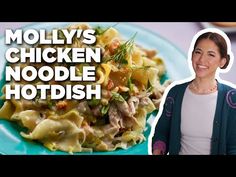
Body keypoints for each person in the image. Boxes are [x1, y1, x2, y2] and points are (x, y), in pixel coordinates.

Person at [150, 28, 236, 155]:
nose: (201, 60)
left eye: (211, 54)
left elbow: (234, 146)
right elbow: (162, 132)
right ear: (192, 55)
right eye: (198, 52)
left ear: (222, 62)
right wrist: (158, 150)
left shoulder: (231, 98)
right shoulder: (175, 93)